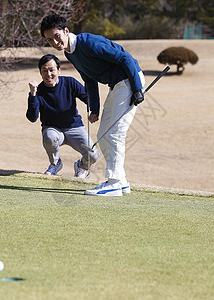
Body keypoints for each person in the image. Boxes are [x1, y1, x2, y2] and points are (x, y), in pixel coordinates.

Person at [40, 14, 146, 197]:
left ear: (66, 31)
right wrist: (94, 109)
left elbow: (124, 58)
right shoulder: (69, 53)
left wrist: (137, 88)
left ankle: (113, 183)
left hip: (128, 80)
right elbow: (89, 79)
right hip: (118, 85)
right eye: (50, 40)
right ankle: (121, 182)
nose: (55, 42)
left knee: (113, 134)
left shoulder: (88, 42)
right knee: (104, 134)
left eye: (57, 36)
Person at [26, 54, 99, 178]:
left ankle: (81, 167)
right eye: (44, 71)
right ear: (40, 72)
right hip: (53, 129)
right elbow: (32, 117)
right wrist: (33, 95)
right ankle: (55, 164)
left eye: (51, 70)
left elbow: (87, 99)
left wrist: (94, 109)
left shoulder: (70, 82)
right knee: (49, 137)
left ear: (58, 71)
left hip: (75, 128)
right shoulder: (38, 91)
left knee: (92, 155)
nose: (48, 74)